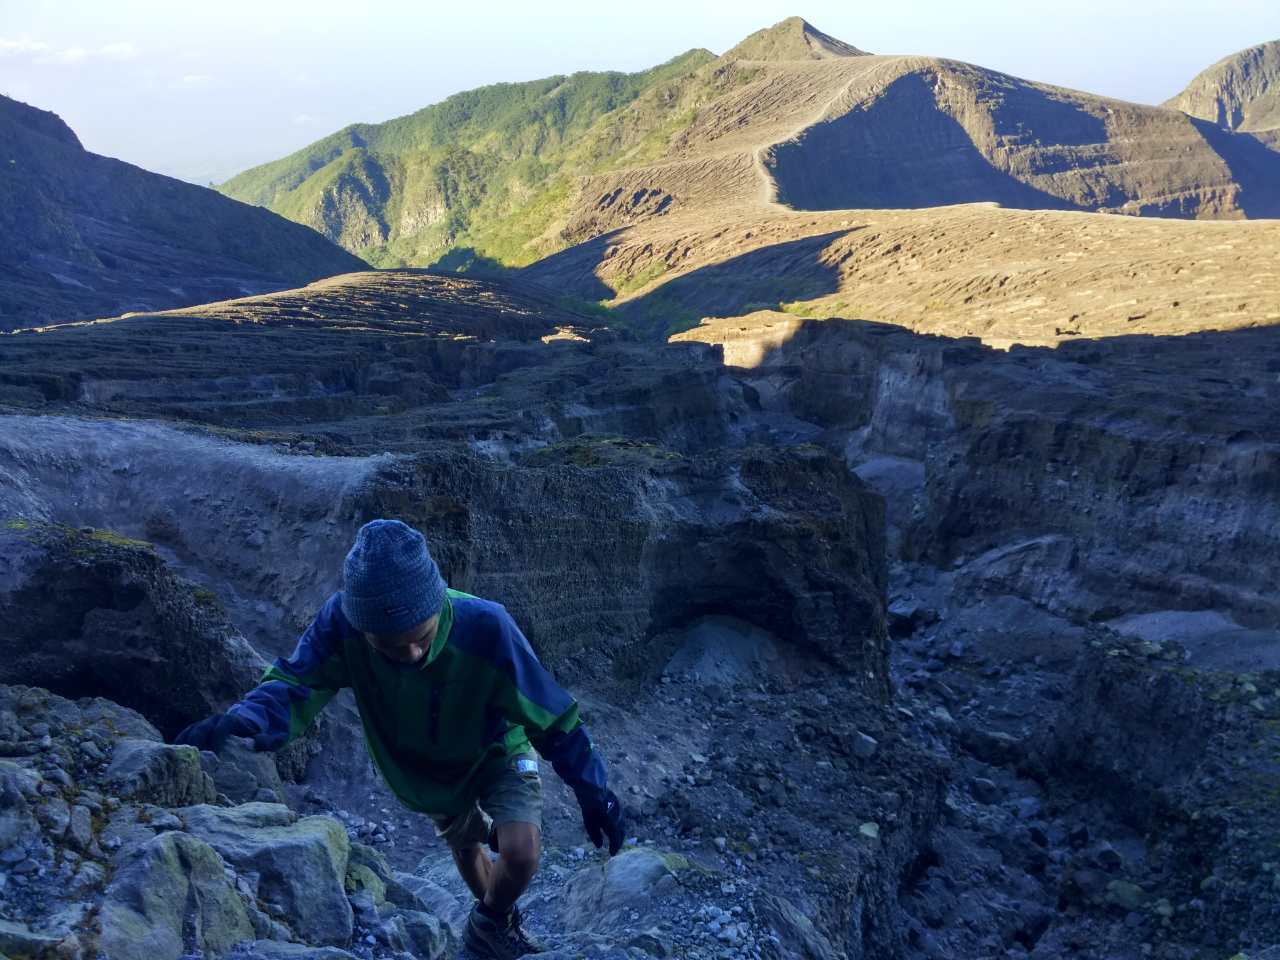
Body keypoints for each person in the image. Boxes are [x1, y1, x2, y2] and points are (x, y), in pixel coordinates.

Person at [174, 519, 624, 960]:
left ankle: (487, 922)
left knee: (521, 852)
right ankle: (494, 929)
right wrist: (246, 719)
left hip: (497, 749)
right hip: (424, 770)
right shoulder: (341, 623)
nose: (410, 654)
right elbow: (297, 682)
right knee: (466, 850)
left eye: (423, 637)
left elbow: (552, 717)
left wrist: (593, 792)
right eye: (389, 647)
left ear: (438, 604)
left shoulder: (487, 628)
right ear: (361, 624)